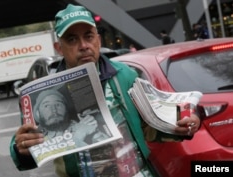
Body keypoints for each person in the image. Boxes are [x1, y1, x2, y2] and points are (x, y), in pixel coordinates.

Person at [10, 4, 201, 177]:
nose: (83, 46)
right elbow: (28, 149)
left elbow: (151, 124)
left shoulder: (126, 76)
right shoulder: (42, 94)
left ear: (98, 40)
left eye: (88, 36)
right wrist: (21, 149)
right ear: (59, 48)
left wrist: (185, 123)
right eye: (72, 39)